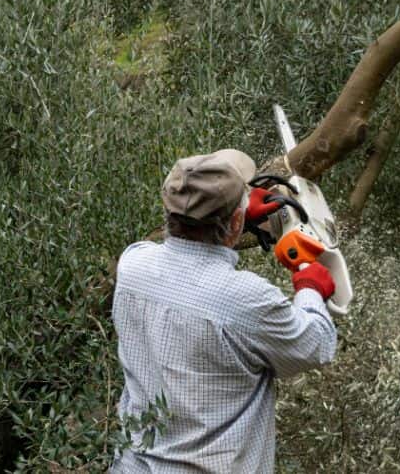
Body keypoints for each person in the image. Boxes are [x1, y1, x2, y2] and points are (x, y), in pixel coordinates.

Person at [110, 149, 338, 473]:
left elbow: (177, 251)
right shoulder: (246, 298)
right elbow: (315, 344)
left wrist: (239, 219)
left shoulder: (133, 264)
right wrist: (311, 289)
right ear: (234, 223)